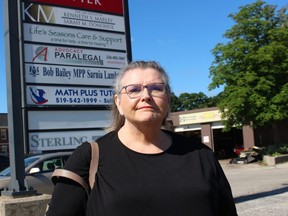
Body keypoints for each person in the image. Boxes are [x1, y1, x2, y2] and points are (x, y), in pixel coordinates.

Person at [46, 61, 238, 216]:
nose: (146, 96)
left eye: (156, 88)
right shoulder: (90, 156)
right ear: (118, 103)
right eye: (134, 90)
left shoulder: (201, 155)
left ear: (168, 99)